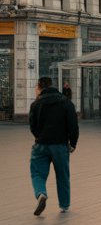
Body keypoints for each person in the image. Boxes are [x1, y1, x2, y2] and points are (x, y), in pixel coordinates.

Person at [29, 76, 79, 215]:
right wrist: (73, 143)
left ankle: (41, 194)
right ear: (52, 85)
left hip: (41, 144)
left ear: (39, 87)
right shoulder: (66, 102)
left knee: (37, 173)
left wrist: (39, 136)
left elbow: (32, 126)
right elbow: (73, 125)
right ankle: (64, 205)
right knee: (62, 175)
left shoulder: (36, 104)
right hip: (60, 145)